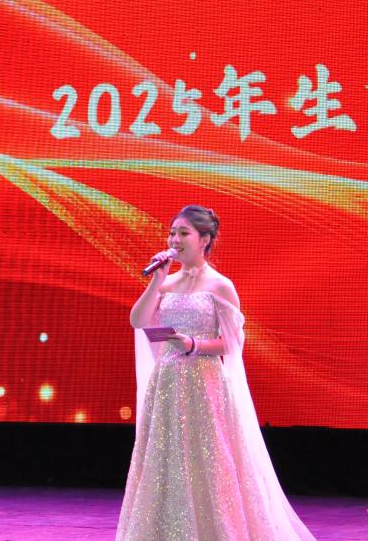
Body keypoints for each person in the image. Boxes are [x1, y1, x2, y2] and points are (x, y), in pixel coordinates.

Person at [117, 206, 316, 541]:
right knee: (166, 458)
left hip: (204, 383)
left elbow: (232, 343)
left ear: (204, 240)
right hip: (166, 383)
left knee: (207, 461)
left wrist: (194, 344)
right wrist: (157, 280)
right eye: (172, 233)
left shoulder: (220, 286)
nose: (175, 240)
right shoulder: (167, 283)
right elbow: (138, 321)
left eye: (184, 233)